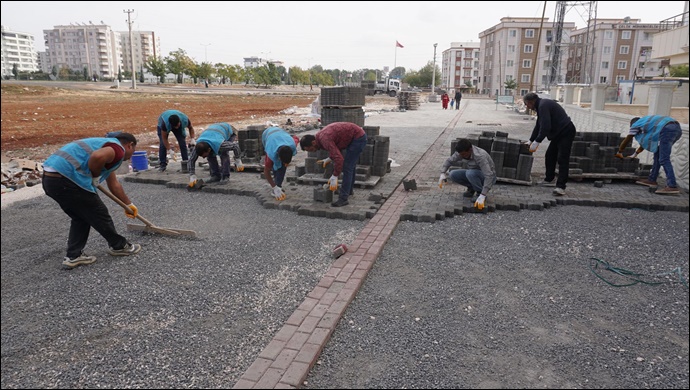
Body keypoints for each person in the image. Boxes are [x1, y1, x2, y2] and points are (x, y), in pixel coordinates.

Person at [42, 132, 142, 269]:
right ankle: (119, 246)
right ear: (130, 145)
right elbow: (97, 157)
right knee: (99, 213)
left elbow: (114, 184)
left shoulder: (105, 148)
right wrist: (95, 176)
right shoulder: (117, 149)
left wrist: (128, 205)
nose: (131, 155)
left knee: (81, 217)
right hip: (67, 179)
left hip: (51, 180)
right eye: (134, 149)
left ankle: (73, 256)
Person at [299, 122, 368, 207]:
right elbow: (335, 147)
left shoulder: (324, 139)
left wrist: (335, 176)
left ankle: (343, 199)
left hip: (358, 138)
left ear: (313, 142)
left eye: (310, 149)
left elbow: (339, 159)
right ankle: (348, 190)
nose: (312, 151)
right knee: (350, 166)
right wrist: (329, 158)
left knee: (347, 167)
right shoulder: (320, 138)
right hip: (353, 136)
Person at [524, 92, 576, 196]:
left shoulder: (543, 106)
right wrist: (531, 140)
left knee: (562, 158)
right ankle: (549, 179)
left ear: (530, 102)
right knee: (550, 155)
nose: (527, 107)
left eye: (526, 104)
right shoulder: (541, 106)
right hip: (558, 133)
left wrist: (537, 141)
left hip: (566, 131)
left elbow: (545, 127)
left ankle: (561, 187)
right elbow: (539, 125)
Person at [615, 115, 682, 195]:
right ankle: (652, 179)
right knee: (657, 156)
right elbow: (646, 141)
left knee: (664, 159)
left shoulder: (636, 125)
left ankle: (672, 186)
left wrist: (619, 152)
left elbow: (628, 139)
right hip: (676, 129)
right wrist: (635, 154)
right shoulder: (647, 123)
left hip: (667, 130)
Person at [438, 139, 496, 210]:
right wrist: (442, 173)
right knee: (452, 174)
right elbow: (449, 161)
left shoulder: (480, 156)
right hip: (474, 174)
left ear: (470, 150)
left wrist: (483, 195)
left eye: (464, 154)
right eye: (460, 154)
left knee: (470, 173)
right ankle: (472, 188)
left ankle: (479, 193)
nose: (462, 156)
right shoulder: (460, 153)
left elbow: (489, 175)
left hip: (489, 177)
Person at [187, 122, 243, 187]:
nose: (203, 157)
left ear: (208, 149)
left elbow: (235, 146)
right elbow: (191, 160)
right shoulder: (198, 147)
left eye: (204, 155)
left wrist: (238, 160)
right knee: (210, 156)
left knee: (223, 154)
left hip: (228, 130)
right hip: (214, 132)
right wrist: (192, 175)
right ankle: (215, 176)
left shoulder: (220, 144)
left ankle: (225, 176)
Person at [262, 126, 300, 201]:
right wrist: (274, 187)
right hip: (267, 135)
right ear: (279, 157)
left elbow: (296, 138)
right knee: (275, 164)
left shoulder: (292, 144)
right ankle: (276, 187)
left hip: (280, 132)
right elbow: (266, 171)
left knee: (282, 166)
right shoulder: (271, 152)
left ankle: (278, 184)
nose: (287, 165)